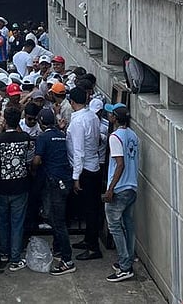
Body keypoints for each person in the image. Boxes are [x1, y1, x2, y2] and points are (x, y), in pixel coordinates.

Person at [0, 106, 30, 271]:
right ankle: (15, 258)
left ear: (5, 121)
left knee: (2, 221)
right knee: (17, 223)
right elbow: (29, 160)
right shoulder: (25, 137)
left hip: (1, 187)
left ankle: (4, 252)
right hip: (20, 186)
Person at [32, 108, 76, 276]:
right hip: (66, 180)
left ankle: (67, 260)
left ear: (41, 123)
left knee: (58, 222)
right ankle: (58, 250)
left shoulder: (43, 137)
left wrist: (34, 170)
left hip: (55, 183)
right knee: (59, 218)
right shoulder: (62, 135)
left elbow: (36, 160)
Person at [103, 106, 139, 282]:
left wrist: (110, 189)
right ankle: (128, 259)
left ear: (114, 118)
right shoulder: (133, 135)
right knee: (128, 224)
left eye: (110, 114)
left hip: (119, 189)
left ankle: (125, 266)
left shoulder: (115, 137)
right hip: (132, 187)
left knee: (115, 226)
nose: (108, 115)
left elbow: (120, 164)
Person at [67, 87, 103, 261]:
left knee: (90, 210)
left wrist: (75, 178)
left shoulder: (78, 122)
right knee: (91, 208)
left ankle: (93, 247)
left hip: (85, 169)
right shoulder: (92, 117)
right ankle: (89, 240)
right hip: (93, 165)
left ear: (72, 102)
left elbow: (78, 151)